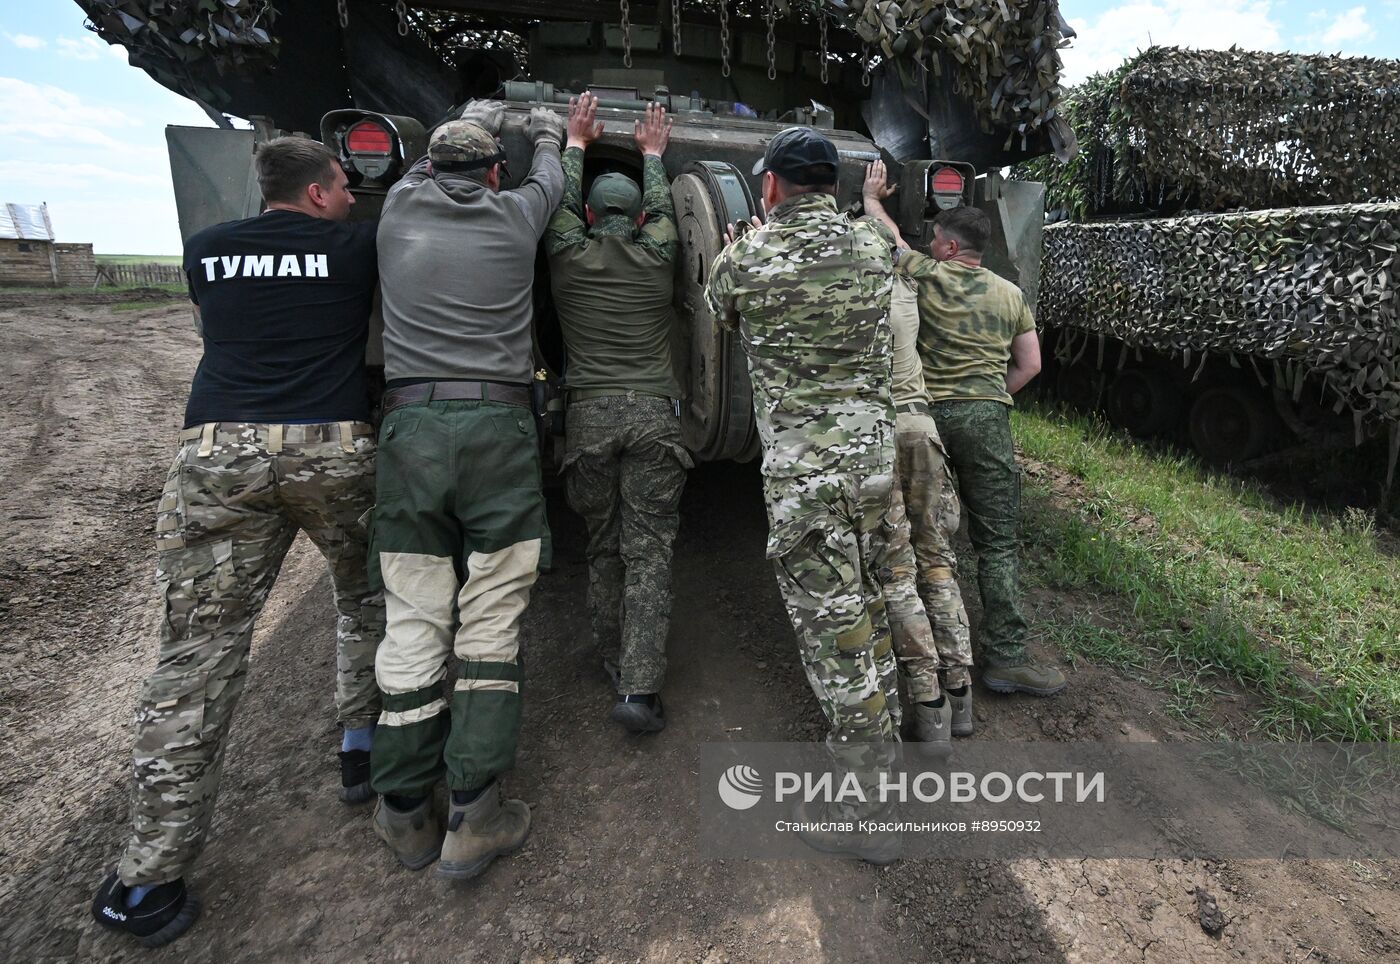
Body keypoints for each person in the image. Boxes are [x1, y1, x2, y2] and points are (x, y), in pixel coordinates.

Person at [91, 136, 383, 946]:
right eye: (342, 187)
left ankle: (149, 880)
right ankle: (360, 747)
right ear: (319, 192)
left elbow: (218, 325)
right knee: (366, 601)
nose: (349, 198)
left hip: (219, 452)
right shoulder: (354, 247)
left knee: (198, 651)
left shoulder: (205, 249)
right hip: (331, 446)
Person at [368, 104, 566, 880]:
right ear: (492, 175)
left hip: (411, 431)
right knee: (491, 611)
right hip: (496, 431)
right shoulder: (517, 217)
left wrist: (472, 112)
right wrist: (548, 133)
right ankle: (475, 814)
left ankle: (404, 813)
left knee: (413, 615)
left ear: (430, 169)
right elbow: (550, 176)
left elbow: (420, 164)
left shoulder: (396, 211)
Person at [703, 127, 901, 862]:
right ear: (832, 184)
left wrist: (746, 243)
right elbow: (888, 250)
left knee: (835, 638)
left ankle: (870, 812)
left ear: (771, 185)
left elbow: (719, 311)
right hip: (873, 467)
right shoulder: (872, 245)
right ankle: (888, 744)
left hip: (806, 481)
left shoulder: (746, 259)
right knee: (869, 607)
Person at [863, 162, 1065, 697]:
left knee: (920, 536)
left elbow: (889, 238)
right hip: (985, 417)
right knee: (997, 541)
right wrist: (990, 395)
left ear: (951, 248)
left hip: (927, 417)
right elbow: (1030, 365)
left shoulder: (926, 274)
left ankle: (914, 653)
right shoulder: (1010, 295)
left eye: (935, 239)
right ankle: (1006, 658)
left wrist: (873, 198)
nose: (929, 245)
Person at [544, 92, 690, 734]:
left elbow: (558, 208)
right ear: (636, 219)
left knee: (603, 547)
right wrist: (652, 155)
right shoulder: (658, 256)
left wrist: (575, 143)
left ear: (586, 215)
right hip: (653, 417)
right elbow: (664, 211)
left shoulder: (565, 255)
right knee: (650, 551)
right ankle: (639, 687)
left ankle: (612, 657)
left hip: (589, 418)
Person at [861, 163, 977, 737]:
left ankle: (928, 707)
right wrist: (872, 200)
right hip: (922, 430)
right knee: (939, 563)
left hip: (880, 434)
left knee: (898, 571)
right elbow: (898, 243)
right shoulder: (910, 285)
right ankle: (961, 697)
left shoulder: (850, 297)